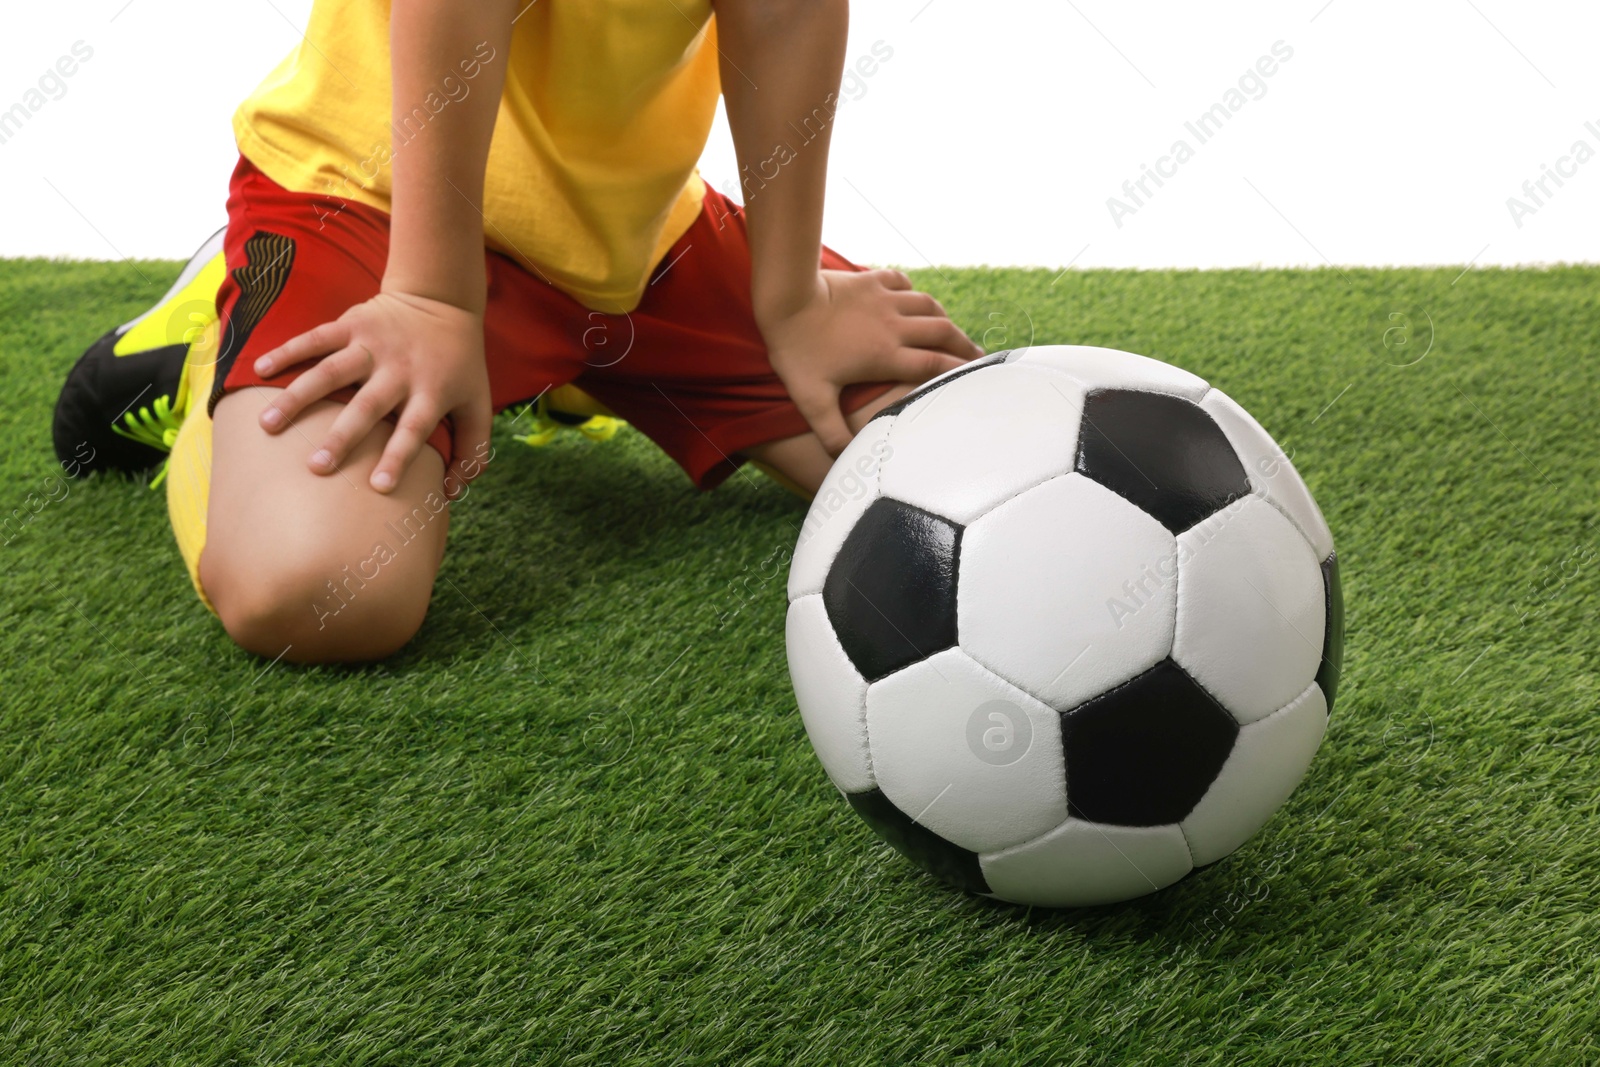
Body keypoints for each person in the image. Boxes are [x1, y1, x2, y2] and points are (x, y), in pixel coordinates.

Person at [52, 0, 981, 664]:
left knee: (958, 453)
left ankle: (553, 364)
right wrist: (432, 297)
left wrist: (791, 300)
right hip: (374, 206)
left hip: (631, 237)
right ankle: (218, 338)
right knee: (319, 594)